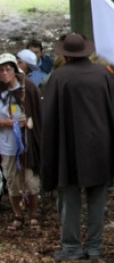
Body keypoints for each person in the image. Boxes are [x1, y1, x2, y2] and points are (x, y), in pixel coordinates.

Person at [41, 33, 114, 261]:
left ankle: (71, 247)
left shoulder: (59, 78)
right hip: (100, 147)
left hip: (68, 148)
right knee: (97, 199)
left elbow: (49, 117)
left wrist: (49, 151)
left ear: (65, 54)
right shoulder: (104, 75)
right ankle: (94, 247)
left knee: (70, 198)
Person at [0, 53, 42, 231]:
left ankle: (33, 213)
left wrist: (30, 122)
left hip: (27, 143)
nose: (4, 73)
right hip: (7, 144)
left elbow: (39, 113)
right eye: (1, 70)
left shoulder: (28, 87)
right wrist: (6, 123)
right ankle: (17, 214)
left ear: (14, 69)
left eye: (8, 69)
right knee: (12, 181)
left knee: (31, 181)